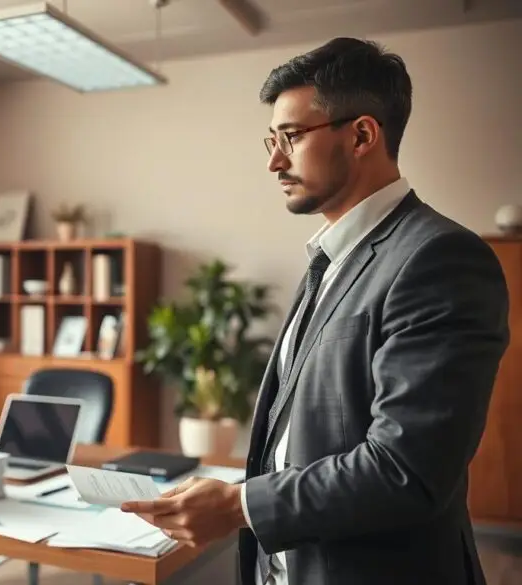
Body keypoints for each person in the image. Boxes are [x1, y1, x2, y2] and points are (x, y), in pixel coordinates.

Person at [121, 37, 509, 585]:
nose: (274, 160)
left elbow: (407, 470)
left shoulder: (439, 258)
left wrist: (240, 506)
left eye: (291, 137)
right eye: (271, 139)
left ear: (362, 135)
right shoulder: (327, 257)